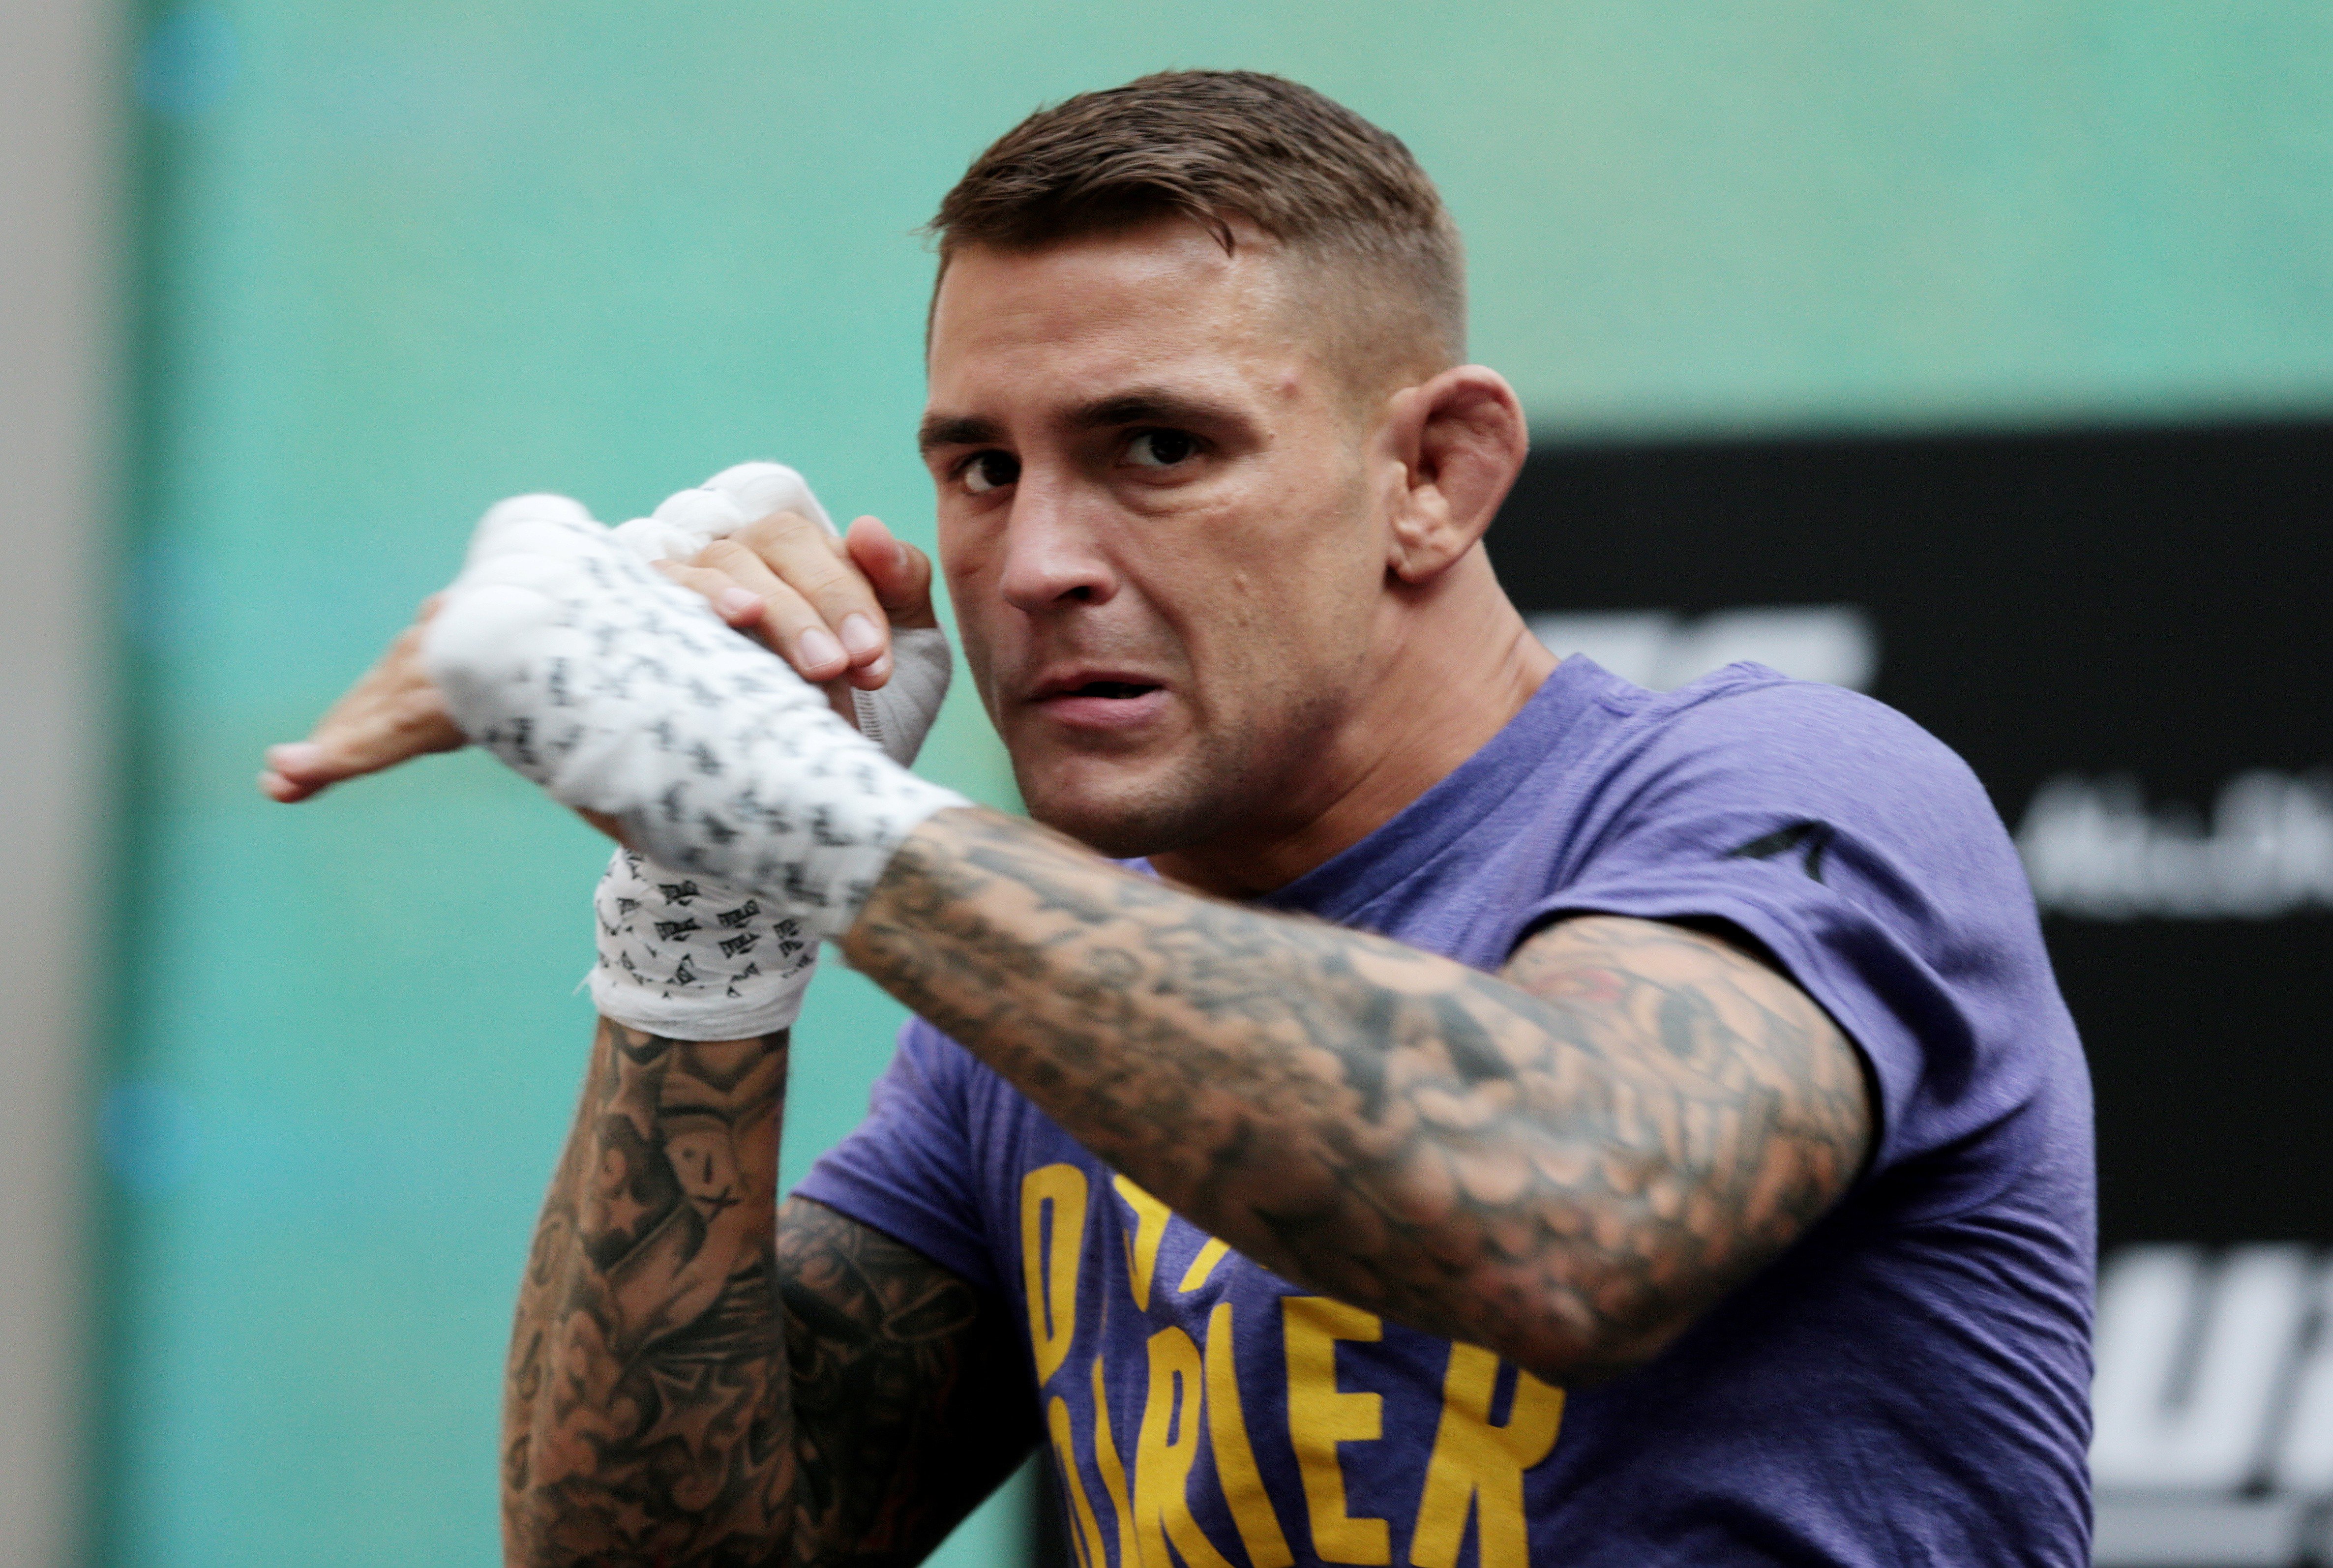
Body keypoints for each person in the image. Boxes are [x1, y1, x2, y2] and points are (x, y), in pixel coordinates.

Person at [264, 70, 2093, 1568]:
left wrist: (789, 799)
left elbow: (1566, 1210)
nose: (1039, 563)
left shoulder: (1779, 795)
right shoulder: (1038, 1019)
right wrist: (706, 917)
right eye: (981, 468)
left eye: (1160, 449)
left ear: (1434, 475)